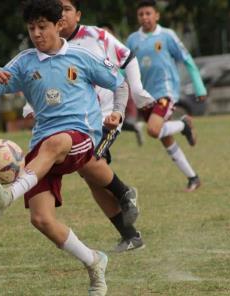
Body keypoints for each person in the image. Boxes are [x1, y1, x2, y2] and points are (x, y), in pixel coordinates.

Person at [0, 0, 132, 294]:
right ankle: (94, 261)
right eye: (31, 28)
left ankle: (10, 193)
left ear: (59, 25)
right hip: (43, 148)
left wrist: (119, 112)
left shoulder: (84, 56)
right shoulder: (23, 62)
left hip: (80, 138)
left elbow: (120, 83)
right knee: (41, 219)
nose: (36, 33)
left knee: (57, 141)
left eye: (42, 26)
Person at [22, 0, 147, 252]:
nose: (63, 14)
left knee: (90, 162)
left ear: (77, 14)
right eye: (59, 10)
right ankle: (130, 234)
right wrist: (30, 106)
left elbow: (127, 60)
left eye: (67, 9)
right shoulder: (45, 46)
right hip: (72, 122)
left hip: (102, 118)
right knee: (90, 176)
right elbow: (37, 78)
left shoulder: (95, 37)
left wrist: (133, 96)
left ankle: (124, 193)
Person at [127, 0, 206, 192]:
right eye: (141, 14)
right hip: (144, 96)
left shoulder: (167, 35)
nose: (145, 17)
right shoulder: (132, 40)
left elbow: (186, 59)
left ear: (156, 15)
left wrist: (199, 87)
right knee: (165, 138)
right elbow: (124, 67)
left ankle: (184, 124)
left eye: (148, 13)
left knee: (154, 130)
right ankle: (193, 177)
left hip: (165, 91)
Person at [100, 22, 145, 147]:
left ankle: (136, 126)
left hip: (121, 91)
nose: (104, 36)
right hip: (105, 94)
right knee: (111, 121)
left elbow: (126, 72)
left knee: (116, 119)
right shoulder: (94, 53)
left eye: (107, 33)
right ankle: (136, 127)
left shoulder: (119, 52)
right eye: (101, 33)